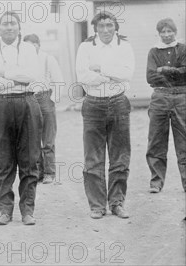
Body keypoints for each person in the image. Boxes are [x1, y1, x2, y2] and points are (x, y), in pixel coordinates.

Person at [0, 11, 40, 226]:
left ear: (19, 27)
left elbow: (31, 77)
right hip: (0, 105)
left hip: (26, 102)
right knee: (2, 159)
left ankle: (27, 210)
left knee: (30, 159)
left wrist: (4, 74)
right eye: (4, 24)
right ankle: (5, 209)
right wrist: (16, 77)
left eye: (13, 23)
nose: (9, 27)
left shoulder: (28, 48)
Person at [76, 11, 135, 219]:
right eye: (101, 26)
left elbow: (127, 73)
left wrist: (101, 69)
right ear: (95, 29)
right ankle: (97, 205)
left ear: (115, 27)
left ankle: (117, 202)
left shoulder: (124, 46)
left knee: (120, 157)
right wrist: (112, 74)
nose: (106, 30)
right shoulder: (86, 47)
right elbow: (83, 76)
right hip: (93, 104)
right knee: (93, 158)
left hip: (118, 102)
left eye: (110, 25)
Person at [145, 18, 186, 194]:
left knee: (183, 141)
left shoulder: (183, 49)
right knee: (156, 141)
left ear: (175, 32)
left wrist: (165, 70)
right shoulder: (153, 52)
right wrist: (175, 74)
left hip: (181, 97)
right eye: (163, 32)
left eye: (170, 31)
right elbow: (150, 77)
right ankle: (156, 182)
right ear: (159, 33)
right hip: (160, 97)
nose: (167, 35)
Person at [23, 34, 64, 185]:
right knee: (32, 139)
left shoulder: (48, 59)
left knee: (48, 139)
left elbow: (59, 80)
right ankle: (38, 173)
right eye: (26, 46)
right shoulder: (23, 61)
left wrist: (52, 100)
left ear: (38, 45)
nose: (30, 49)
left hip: (45, 98)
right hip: (28, 98)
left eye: (33, 45)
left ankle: (49, 173)